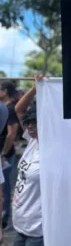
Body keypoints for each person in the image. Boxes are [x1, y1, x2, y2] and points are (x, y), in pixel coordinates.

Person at [11, 75, 43, 246]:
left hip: (37, 229)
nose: (29, 127)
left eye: (34, 124)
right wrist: (35, 88)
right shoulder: (32, 141)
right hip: (20, 222)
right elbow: (19, 110)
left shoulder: (52, 151)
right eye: (28, 124)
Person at [0, 80, 20, 228]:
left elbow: (11, 133)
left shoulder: (9, 108)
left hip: (5, 155)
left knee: (4, 188)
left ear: (5, 91)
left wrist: (4, 153)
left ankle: (4, 220)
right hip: (4, 153)